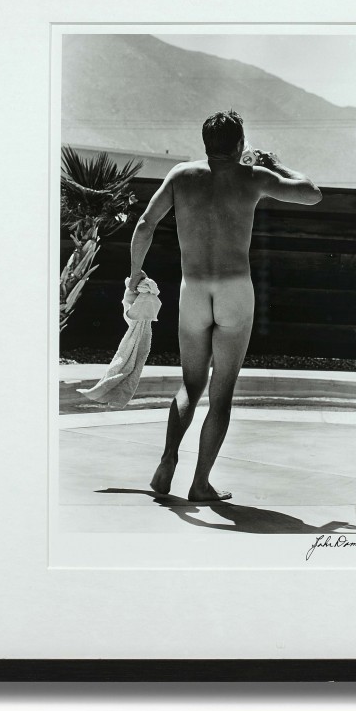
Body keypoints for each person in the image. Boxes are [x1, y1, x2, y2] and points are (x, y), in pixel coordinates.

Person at [128, 109, 322, 502]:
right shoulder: (254, 177)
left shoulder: (181, 175)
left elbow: (146, 224)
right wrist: (273, 162)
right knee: (221, 394)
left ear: (206, 144)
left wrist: (134, 276)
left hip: (194, 290)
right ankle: (200, 484)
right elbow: (311, 193)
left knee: (191, 385)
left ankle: (167, 460)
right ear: (239, 144)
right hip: (235, 291)